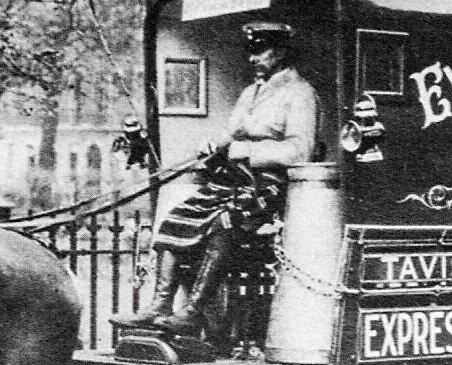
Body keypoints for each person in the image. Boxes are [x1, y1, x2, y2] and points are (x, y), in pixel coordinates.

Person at [113, 21, 319, 336]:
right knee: (173, 219)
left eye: (259, 50)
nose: (252, 58)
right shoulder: (252, 91)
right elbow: (233, 132)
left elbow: (300, 151)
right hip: (233, 180)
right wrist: (216, 144)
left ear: (280, 52)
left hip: (271, 187)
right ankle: (160, 305)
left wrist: (245, 152)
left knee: (223, 224)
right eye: (250, 50)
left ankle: (194, 311)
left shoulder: (300, 93)